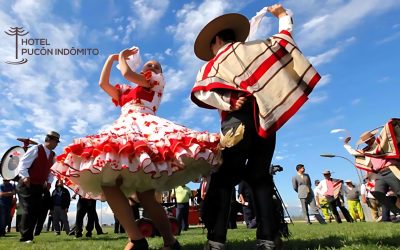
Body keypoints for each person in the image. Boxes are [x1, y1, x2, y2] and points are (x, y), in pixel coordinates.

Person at [51, 47, 221, 250]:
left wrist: (122, 57)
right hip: (125, 127)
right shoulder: (126, 90)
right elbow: (103, 83)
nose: (151, 67)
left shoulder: (155, 82)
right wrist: (111, 59)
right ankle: (143, 239)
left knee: (145, 196)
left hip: (146, 128)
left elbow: (126, 73)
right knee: (111, 184)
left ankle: (160, 240)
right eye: (148, 64)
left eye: (156, 66)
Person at [191, 3, 320, 249]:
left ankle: (216, 241)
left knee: (225, 177)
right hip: (265, 120)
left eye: (211, 46)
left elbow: (202, 92)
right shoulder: (258, 47)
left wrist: (228, 100)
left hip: (237, 123)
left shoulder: (214, 63)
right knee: (259, 176)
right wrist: (283, 16)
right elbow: (284, 41)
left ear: (216, 39)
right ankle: (268, 238)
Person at [16, 131, 60, 243]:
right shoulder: (36, 149)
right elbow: (23, 164)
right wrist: (25, 177)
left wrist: (49, 183)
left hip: (39, 186)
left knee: (36, 210)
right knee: (28, 209)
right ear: (49, 139)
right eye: (56, 141)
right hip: (26, 184)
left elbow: (52, 171)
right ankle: (26, 237)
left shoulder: (53, 155)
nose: (57, 144)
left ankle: (30, 234)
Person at [344, 129, 400, 214]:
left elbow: (393, 138)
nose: (367, 143)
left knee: (399, 192)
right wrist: (346, 144)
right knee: (377, 193)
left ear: (373, 137)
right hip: (379, 174)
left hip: (390, 170)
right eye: (366, 142)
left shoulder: (382, 144)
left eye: (368, 140)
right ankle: (397, 211)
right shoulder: (366, 151)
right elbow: (354, 152)